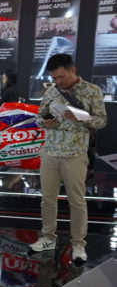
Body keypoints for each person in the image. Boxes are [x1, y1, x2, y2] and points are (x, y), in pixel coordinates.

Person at [29, 54, 107, 264]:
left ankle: (78, 244)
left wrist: (81, 118)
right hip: (50, 152)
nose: (57, 81)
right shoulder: (51, 91)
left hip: (75, 154)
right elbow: (39, 117)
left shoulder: (92, 91)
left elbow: (101, 121)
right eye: (54, 78)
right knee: (48, 199)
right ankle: (48, 238)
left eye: (61, 77)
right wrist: (45, 122)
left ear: (72, 70)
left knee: (77, 201)